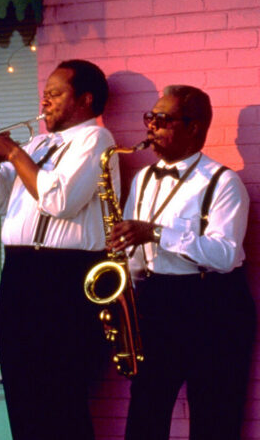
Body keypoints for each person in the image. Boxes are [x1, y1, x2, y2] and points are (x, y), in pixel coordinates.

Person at [0, 59, 115, 440]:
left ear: (85, 100)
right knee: (21, 392)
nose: (45, 101)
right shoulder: (36, 144)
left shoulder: (96, 140)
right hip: (19, 273)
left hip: (66, 276)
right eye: (45, 93)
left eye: (55, 93)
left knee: (62, 395)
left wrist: (12, 152)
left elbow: (60, 200)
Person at [108, 85, 254, 440]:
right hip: (157, 299)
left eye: (163, 119)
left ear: (194, 127)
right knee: (145, 414)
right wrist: (126, 297)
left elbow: (225, 255)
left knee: (215, 419)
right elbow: (134, 250)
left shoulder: (225, 182)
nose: (151, 126)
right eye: (150, 117)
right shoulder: (143, 179)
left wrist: (156, 232)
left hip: (215, 303)